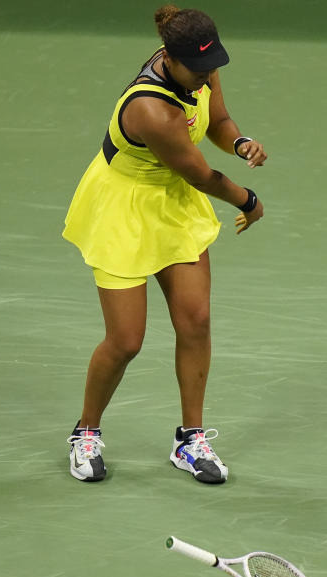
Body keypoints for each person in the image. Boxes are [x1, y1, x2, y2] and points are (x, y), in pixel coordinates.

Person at [61, 5, 267, 484]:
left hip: (173, 208)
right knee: (125, 341)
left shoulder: (200, 69)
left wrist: (240, 143)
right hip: (124, 211)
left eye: (213, 67)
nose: (207, 78)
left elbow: (218, 120)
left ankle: (190, 439)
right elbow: (198, 173)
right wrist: (249, 200)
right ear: (170, 61)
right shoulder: (151, 108)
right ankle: (85, 432)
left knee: (195, 320)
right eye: (200, 71)